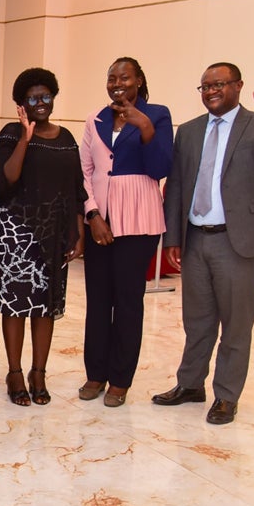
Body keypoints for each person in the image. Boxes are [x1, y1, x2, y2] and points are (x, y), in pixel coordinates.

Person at [152, 64, 254, 425]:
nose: (210, 92)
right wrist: (173, 237)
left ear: (237, 86)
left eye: (218, 84)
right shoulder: (188, 132)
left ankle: (226, 395)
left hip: (240, 243)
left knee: (236, 325)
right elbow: (175, 187)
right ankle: (190, 384)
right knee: (197, 321)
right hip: (195, 240)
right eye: (204, 86)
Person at [78, 57, 173, 408]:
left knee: (129, 303)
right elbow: (83, 170)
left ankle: (120, 379)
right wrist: (92, 214)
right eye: (111, 78)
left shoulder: (157, 115)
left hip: (139, 220)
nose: (117, 83)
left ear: (139, 81)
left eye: (125, 77)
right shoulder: (95, 119)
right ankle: (95, 373)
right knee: (99, 300)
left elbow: (161, 167)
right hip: (100, 221)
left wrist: (145, 126)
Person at [0, 67, 85, 407]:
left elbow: (77, 189)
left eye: (46, 96)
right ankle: (15, 373)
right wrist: (25, 139)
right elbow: (4, 182)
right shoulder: (9, 134)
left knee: (45, 307)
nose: (41, 103)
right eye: (33, 98)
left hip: (54, 234)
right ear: (21, 103)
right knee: (16, 305)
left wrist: (77, 231)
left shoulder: (66, 138)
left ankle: (38, 373)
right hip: (17, 233)